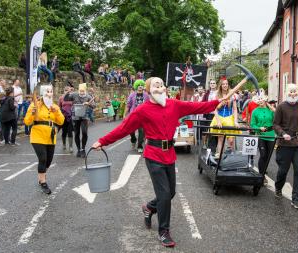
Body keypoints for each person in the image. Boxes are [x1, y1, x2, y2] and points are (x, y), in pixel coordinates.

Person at [92, 77, 238, 248]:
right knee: (164, 195)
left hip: (169, 154)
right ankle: (163, 232)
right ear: (148, 91)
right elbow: (123, 128)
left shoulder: (173, 104)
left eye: (162, 85)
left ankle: (148, 207)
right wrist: (102, 141)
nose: (160, 88)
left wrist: (217, 102)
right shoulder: (142, 110)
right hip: (153, 155)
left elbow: (196, 106)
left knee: (170, 193)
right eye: (156, 85)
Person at [24, 85, 65, 194]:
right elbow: (27, 122)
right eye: (47, 91)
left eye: (51, 91)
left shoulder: (54, 106)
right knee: (42, 158)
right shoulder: (35, 104)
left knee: (49, 160)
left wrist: (56, 111)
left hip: (50, 136)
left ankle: (41, 175)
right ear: (42, 93)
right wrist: (32, 113)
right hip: (37, 135)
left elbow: (61, 122)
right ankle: (43, 182)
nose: (49, 93)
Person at [273, 83, 298, 210]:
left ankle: (296, 199)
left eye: (295, 92)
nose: (293, 94)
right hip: (285, 143)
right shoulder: (281, 107)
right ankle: (278, 187)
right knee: (283, 171)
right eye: (291, 92)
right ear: (287, 92)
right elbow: (275, 124)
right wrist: (283, 133)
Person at [210, 78, 240, 158]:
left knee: (231, 140)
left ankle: (232, 156)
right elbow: (214, 109)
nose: (225, 85)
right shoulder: (216, 95)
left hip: (229, 117)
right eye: (223, 84)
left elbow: (234, 109)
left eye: (226, 84)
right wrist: (218, 121)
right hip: (219, 117)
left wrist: (236, 121)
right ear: (220, 85)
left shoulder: (232, 95)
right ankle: (220, 156)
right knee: (221, 139)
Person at [250, 93, 275, 184]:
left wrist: (273, 110)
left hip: (271, 135)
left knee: (268, 157)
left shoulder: (271, 110)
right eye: (258, 99)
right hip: (261, 135)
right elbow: (252, 124)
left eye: (262, 99)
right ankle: (262, 175)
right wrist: (258, 128)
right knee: (263, 155)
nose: (260, 100)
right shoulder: (255, 111)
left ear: (265, 99)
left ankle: (263, 171)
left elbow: (277, 120)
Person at [125, 80, 149, 153]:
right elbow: (128, 105)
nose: (140, 87)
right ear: (136, 86)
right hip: (133, 115)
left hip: (142, 116)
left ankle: (139, 146)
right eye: (139, 85)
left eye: (141, 85)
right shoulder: (132, 95)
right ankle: (133, 139)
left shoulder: (146, 95)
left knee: (141, 131)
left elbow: (149, 105)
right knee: (131, 130)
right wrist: (125, 115)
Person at [71, 83, 95, 158]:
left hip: (85, 116)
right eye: (80, 91)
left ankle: (83, 149)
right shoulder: (74, 95)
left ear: (85, 90)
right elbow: (66, 98)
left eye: (83, 91)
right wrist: (68, 93)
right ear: (78, 90)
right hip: (76, 116)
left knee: (84, 133)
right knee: (77, 133)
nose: (81, 93)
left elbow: (94, 105)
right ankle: (79, 149)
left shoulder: (88, 96)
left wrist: (88, 103)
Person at [202, 79, 218, 150]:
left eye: (213, 83)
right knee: (210, 130)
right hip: (209, 114)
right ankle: (211, 147)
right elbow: (203, 102)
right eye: (211, 83)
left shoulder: (218, 92)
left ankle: (215, 147)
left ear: (216, 84)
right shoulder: (207, 93)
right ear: (209, 85)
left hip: (217, 114)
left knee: (216, 130)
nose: (212, 84)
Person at [59, 86, 74, 153]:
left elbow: (74, 106)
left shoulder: (72, 98)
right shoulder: (61, 98)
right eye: (66, 90)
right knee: (64, 131)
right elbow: (59, 107)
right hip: (63, 117)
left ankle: (70, 146)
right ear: (64, 90)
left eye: (68, 90)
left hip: (70, 117)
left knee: (70, 131)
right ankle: (64, 144)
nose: (67, 91)